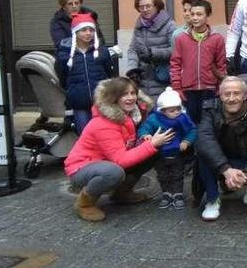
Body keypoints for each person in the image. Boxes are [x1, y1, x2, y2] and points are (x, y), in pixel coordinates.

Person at [64, 77, 174, 221]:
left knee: (152, 152)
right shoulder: (103, 123)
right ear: (113, 97)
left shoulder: (132, 116)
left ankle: (122, 193)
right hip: (81, 168)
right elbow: (120, 160)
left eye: (133, 93)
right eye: (124, 94)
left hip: (107, 162)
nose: (130, 98)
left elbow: (128, 148)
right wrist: (151, 144)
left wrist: (146, 139)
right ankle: (84, 204)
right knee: (114, 172)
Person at [195, 76, 247, 221]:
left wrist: (246, 175)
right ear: (220, 96)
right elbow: (205, 139)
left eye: (236, 93)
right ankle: (212, 200)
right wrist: (226, 170)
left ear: (245, 96)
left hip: (245, 160)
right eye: (227, 94)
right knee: (203, 154)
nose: (231, 98)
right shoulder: (210, 110)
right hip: (220, 161)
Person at [54, 13, 115, 134]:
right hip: (79, 103)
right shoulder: (64, 54)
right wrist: (72, 92)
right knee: (84, 134)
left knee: (104, 133)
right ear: (75, 32)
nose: (88, 33)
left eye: (91, 30)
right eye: (83, 30)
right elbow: (62, 77)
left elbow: (109, 74)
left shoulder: (102, 51)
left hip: (101, 102)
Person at [137, 87, 196, 210]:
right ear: (162, 111)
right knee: (163, 175)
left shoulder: (183, 118)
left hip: (178, 153)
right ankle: (167, 194)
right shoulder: (154, 119)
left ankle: (178, 194)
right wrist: (146, 135)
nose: (176, 113)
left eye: (178, 109)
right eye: (172, 111)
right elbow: (144, 127)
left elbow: (192, 130)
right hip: (160, 154)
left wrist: (187, 141)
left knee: (178, 175)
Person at [170, 0, 226, 125]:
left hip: (210, 89)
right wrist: (177, 87)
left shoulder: (217, 39)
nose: (195, 18)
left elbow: (221, 65)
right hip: (188, 90)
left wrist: (219, 87)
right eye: (192, 14)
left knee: (209, 123)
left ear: (208, 15)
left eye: (199, 14)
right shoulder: (181, 38)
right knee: (190, 123)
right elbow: (175, 64)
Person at [127, 0, 176, 99]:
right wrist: (133, 69)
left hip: (163, 78)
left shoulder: (169, 25)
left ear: (156, 6)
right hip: (143, 80)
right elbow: (133, 49)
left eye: (148, 6)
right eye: (141, 7)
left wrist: (153, 53)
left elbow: (175, 50)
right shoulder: (139, 26)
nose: (145, 10)